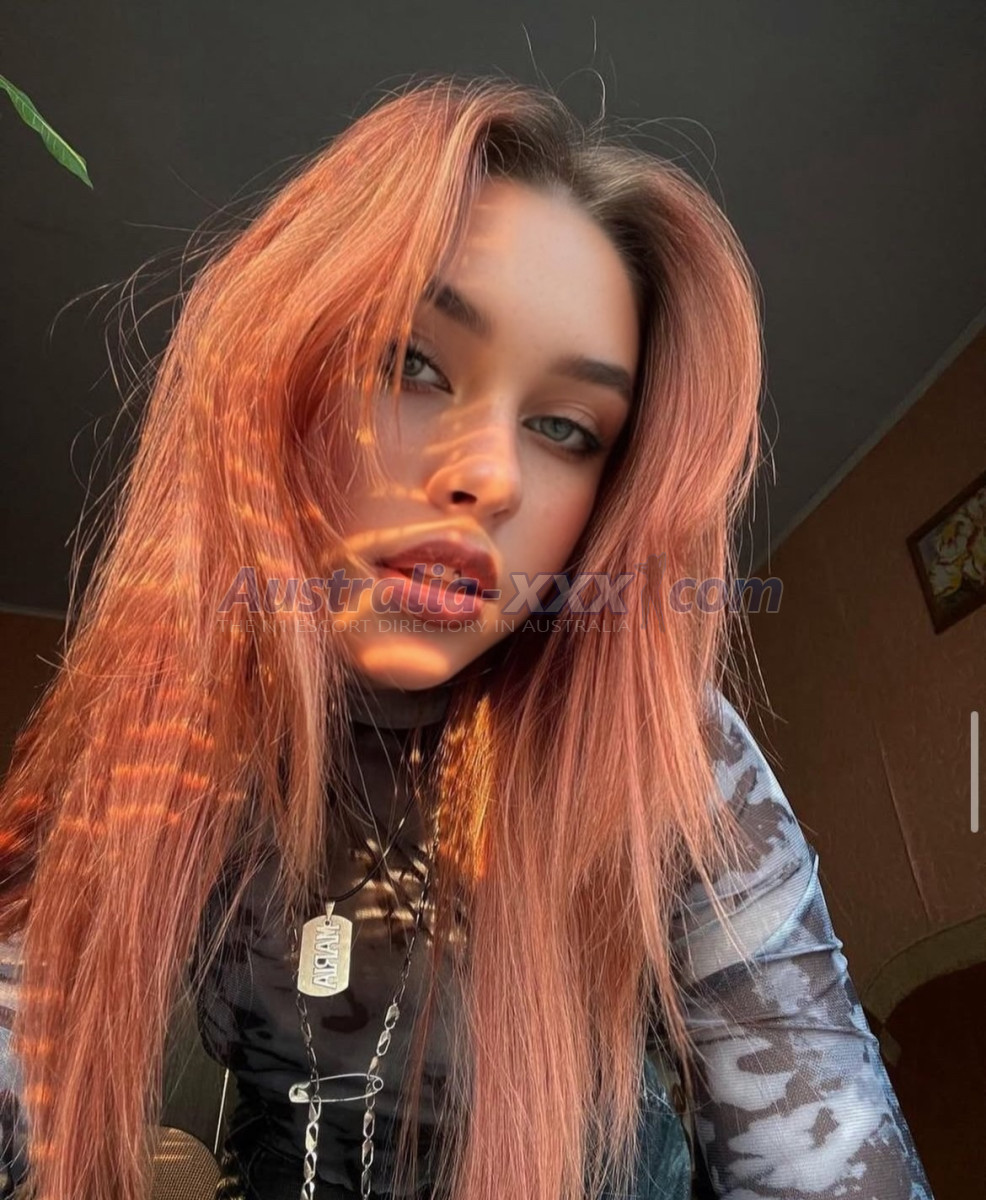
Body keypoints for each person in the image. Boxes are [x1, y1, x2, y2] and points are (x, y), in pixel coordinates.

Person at [0, 75, 934, 1200]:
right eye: (412, 363)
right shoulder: (155, 737)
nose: (489, 476)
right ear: (272, 376)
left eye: (564, 427)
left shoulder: (667, 757)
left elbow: (822, 1134)